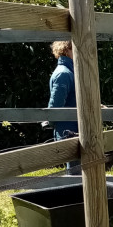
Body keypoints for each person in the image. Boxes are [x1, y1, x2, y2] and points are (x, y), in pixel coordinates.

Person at [47, 40, 80, 173]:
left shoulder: (69, 71)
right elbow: (55, 105)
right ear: (66, 50)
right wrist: (51, 122)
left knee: (79, 171)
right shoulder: (64, 74)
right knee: (75, 172)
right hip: (69, 131)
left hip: (72, 128)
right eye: (74, 49)